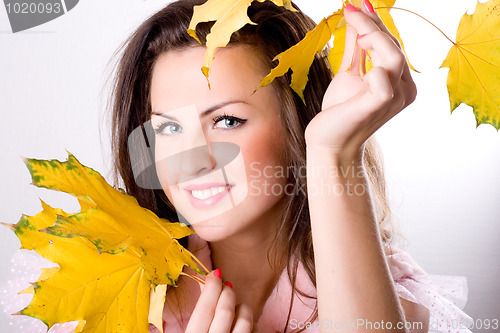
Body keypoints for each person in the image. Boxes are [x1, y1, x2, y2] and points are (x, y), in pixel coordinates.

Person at [107, 0, 472, 332]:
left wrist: (334, 153)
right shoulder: (111, 290)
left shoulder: (383, 295)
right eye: (169, 127)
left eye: (227, 121)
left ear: (297, 122)